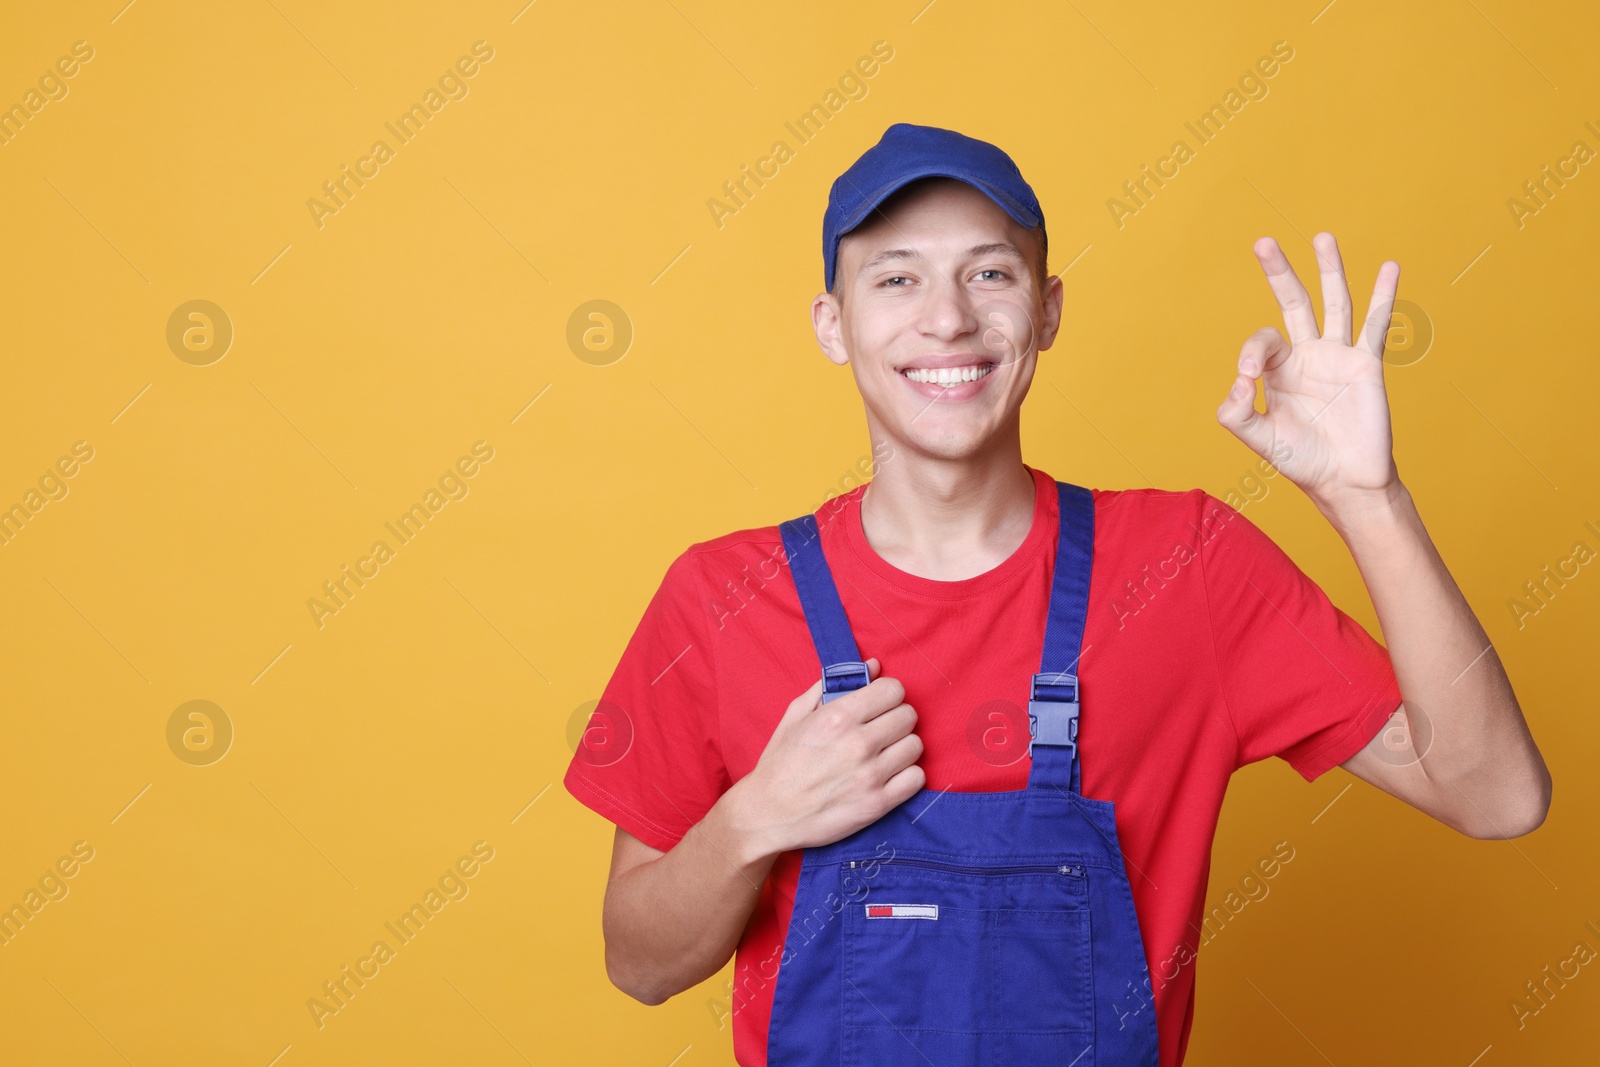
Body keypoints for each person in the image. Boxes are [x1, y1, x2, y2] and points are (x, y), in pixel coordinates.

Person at [562, 122, 1551, 1067]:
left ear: (1047, 310)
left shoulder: (1188, 566)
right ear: (834, 323)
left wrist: (1365, 498)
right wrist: (754, 818)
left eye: (989, 273)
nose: (947, 317)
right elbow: (638, 963)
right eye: (895, 277)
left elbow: (1496, 796)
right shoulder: (722, 595)